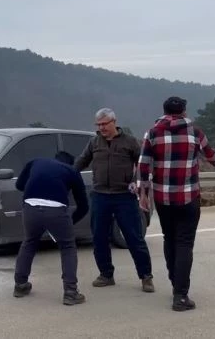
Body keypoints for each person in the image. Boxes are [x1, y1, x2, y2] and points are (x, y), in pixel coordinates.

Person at [138, 96, 215, 312]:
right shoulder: (195, 132)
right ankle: (180, 295)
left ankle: (175, 281)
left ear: (164, 111)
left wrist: (143, 193)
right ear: (184, 111)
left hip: (163, 198)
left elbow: (143, 164)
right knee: (184, 243)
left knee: (169, 238)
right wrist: (212, 156)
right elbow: (212, 156)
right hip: (188, 197)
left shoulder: (152, 132)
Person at [73, 108, 154, 292]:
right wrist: (66, 174)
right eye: (98, 125)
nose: (101, 128)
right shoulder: (94, 142)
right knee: (99, 238)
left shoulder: (130, 142)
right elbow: (81, 161)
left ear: (114, 122)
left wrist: (136, 183)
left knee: (134, 238)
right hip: (100, 196)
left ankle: (146, 277)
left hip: (124, 197)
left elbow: (144, 165)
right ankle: (106, 274)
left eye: (104, 124)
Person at [13, 151, 89, 306]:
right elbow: (84, 206)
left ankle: (20, 285)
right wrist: (69, 222)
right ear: (70, 163)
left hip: (30, 206)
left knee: (29, 242)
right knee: (67, 246)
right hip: (57, 211)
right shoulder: (72, 171)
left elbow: (19, 185)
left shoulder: (36, 160)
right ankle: (70, 292)